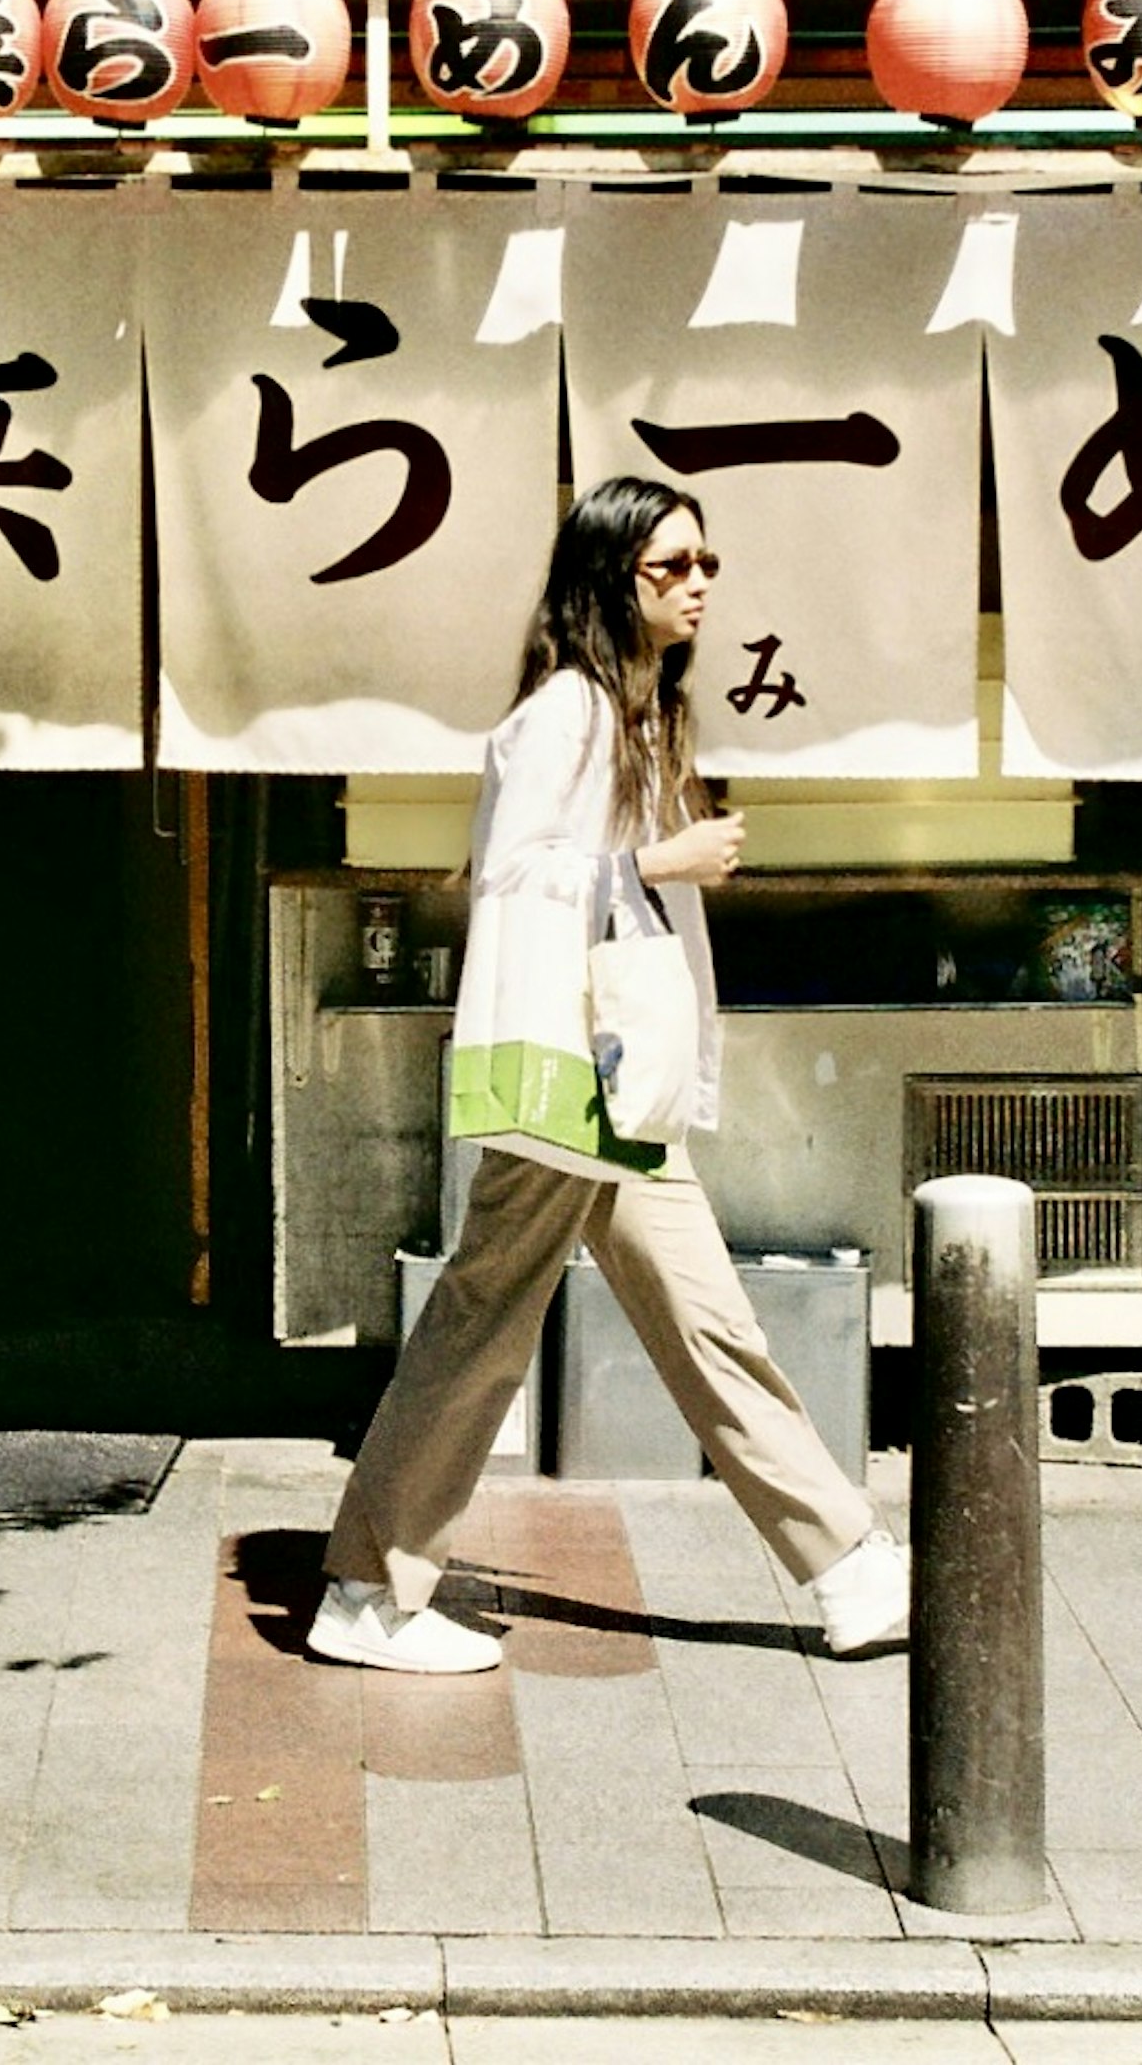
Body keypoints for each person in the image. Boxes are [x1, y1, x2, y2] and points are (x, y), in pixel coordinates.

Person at [306, 476, 911, 1674]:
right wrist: (656, 856)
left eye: (707, 565)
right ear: (607, 580)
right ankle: (369, 1589)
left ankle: (850, 1563)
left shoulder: (639, 713)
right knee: (487, 1322)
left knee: (703, 1317)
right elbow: (510, 876)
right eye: (670, 567)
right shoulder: (569, 713)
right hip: (572, 1076)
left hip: (611, 1083)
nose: (698, 586)